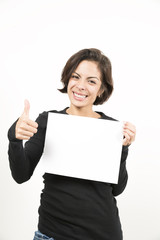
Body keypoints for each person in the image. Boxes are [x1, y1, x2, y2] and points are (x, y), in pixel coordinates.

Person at [8, 48, 136, 240]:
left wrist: (123, 149)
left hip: (103, 234)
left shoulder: (111, 128)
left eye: (91, 81)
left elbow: (117, 189)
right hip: (52, 233)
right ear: (68, 79)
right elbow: (21, 175)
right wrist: (15, 139)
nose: (81, 86)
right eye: (76, 77)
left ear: (101, 89)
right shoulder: (47, 121)